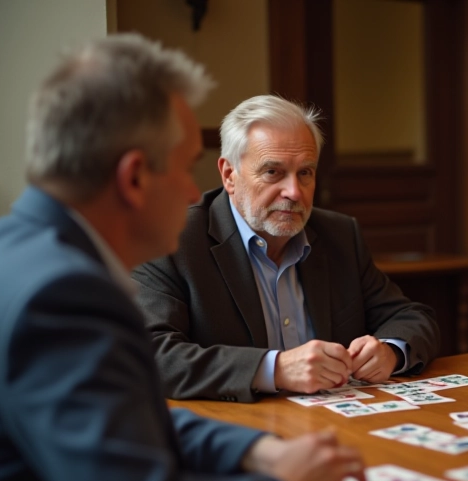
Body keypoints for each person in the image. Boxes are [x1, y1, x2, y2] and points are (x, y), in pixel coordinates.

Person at [0, 34, 367, 481]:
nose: (196, 196)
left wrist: (253, 451)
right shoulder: (64, 298)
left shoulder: (13, 250)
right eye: (186, 166)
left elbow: (131, 414)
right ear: (134, 177)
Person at [132, 95, 440, 402]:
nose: (294, 192)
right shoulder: (171, 239)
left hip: (336, 427)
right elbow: (150, 354)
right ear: (229, 175)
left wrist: (390, 351)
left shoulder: (339, 234)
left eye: (305, 173)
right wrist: (274, 369)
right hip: (238, 432)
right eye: (272, 172)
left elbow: (411, 317)